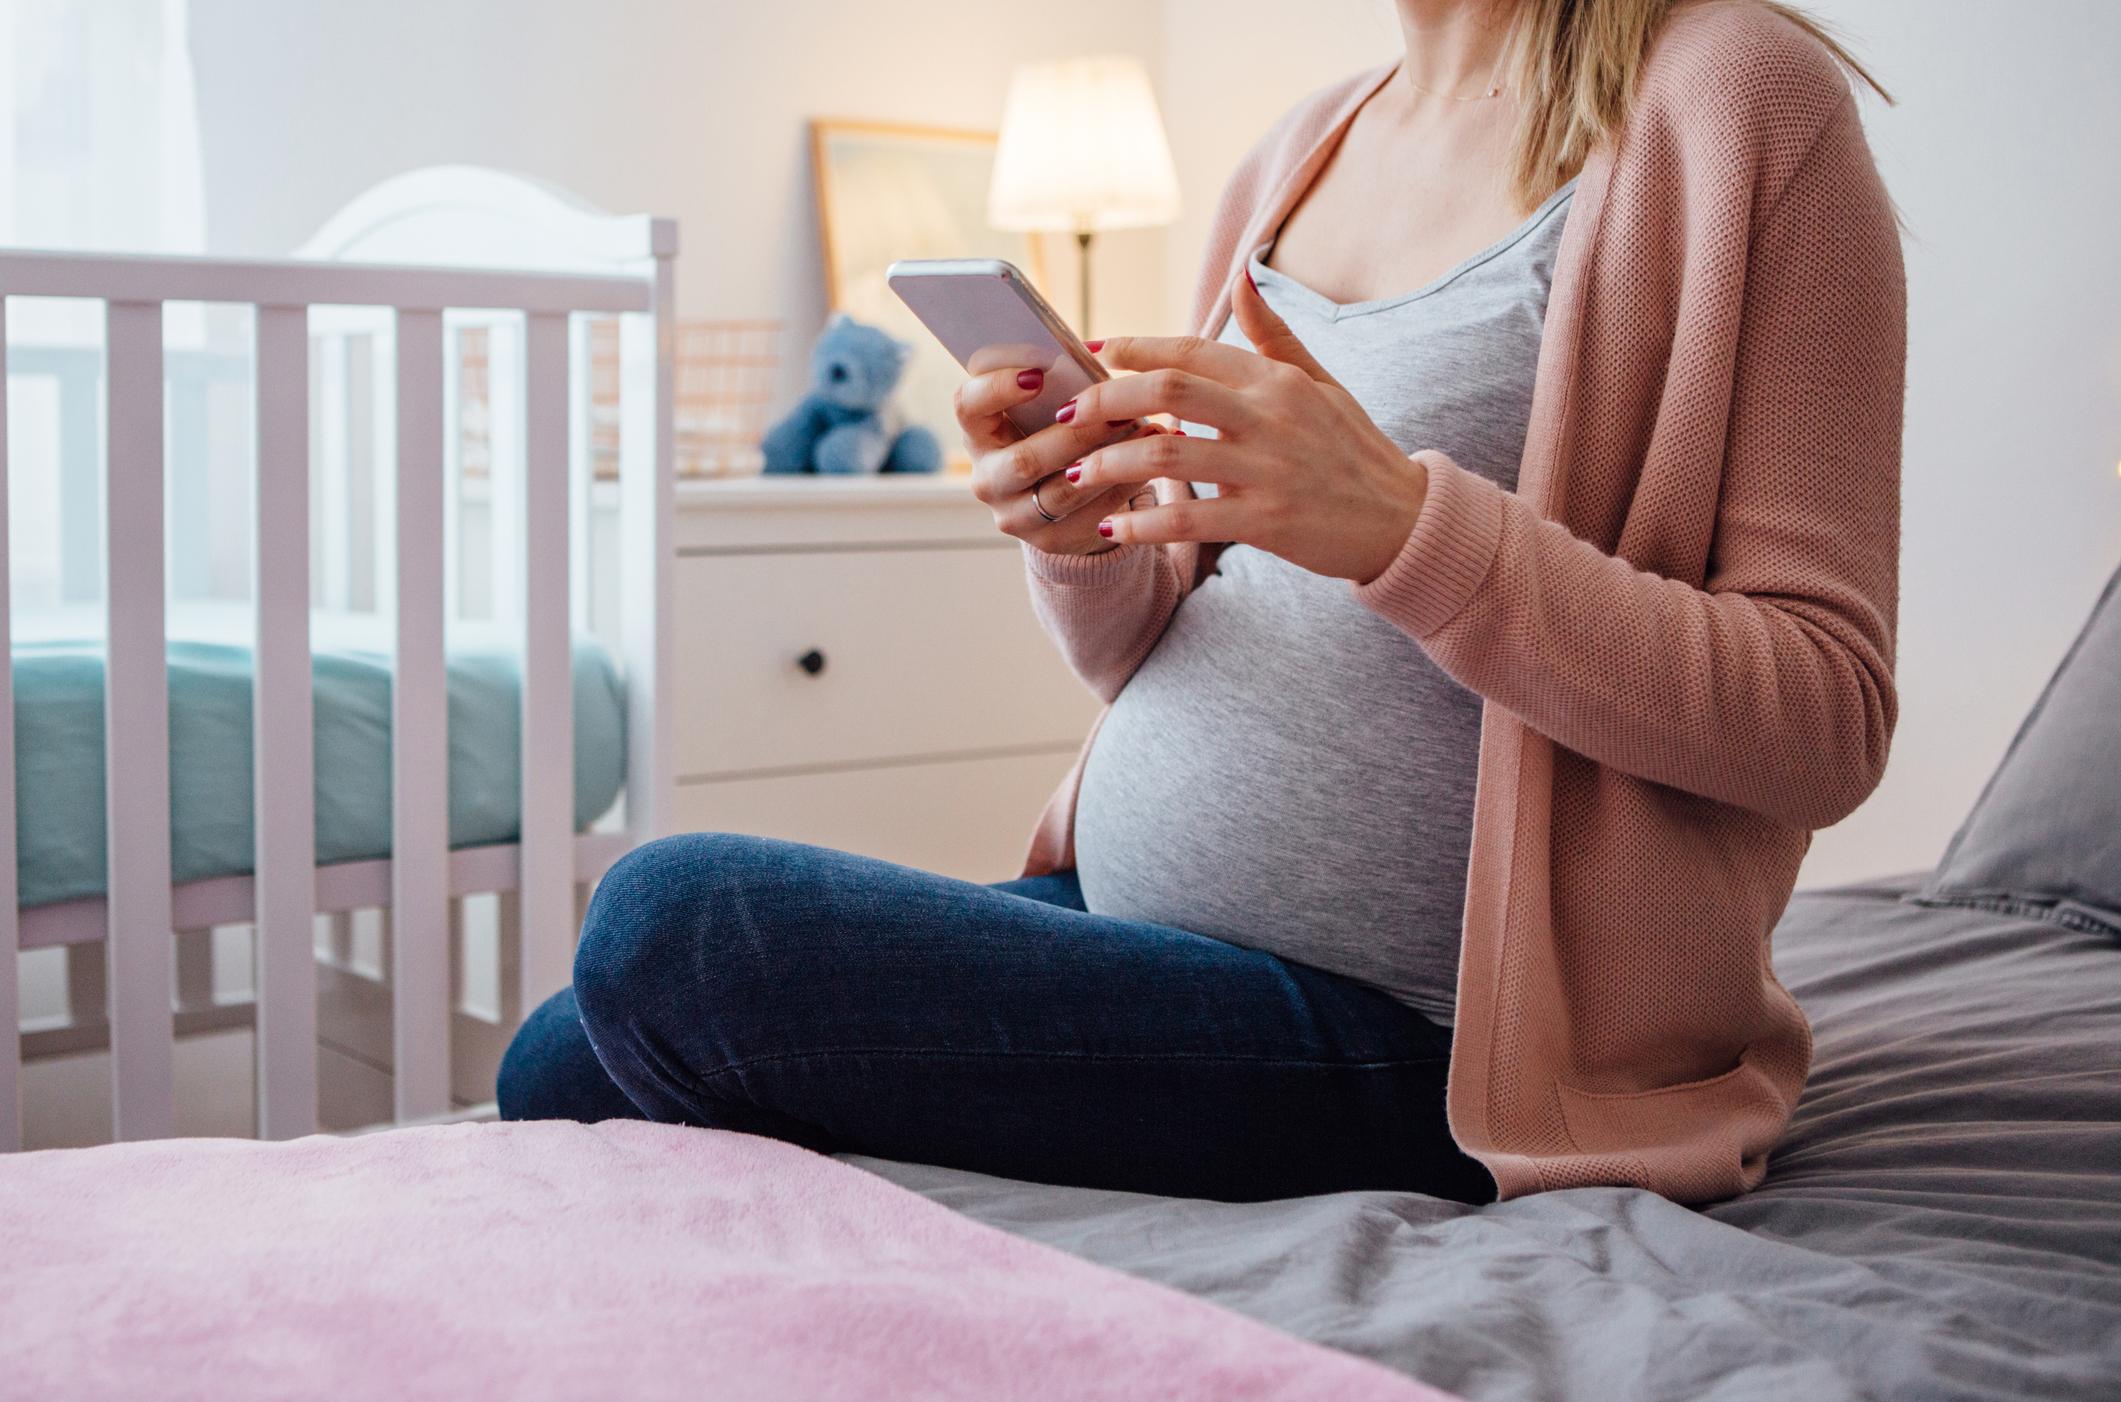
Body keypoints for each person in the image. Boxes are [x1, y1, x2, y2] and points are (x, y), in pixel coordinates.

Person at [498, 0, 1904, 1206]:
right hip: (1142, 923)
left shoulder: (1738, 102)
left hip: (1441, 1039)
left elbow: (1822, 713)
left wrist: (1405, 527)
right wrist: (1080, 537)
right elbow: (1149, 645)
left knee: (671, 928)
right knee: (555, 1058)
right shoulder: (1302, 148)